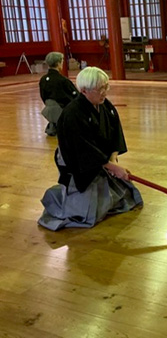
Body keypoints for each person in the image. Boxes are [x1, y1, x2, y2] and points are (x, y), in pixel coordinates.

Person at [38, 67, 143, 231]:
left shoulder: (105, 106)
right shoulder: (72, 113)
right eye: (100, 88)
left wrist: (113, 159)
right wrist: (111, 166)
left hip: (101, 159)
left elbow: (115, 133)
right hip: (77, 162)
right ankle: (60, 196)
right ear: (84, 90)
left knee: (128, 196)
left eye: (106, 87)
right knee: (88, 215)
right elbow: (82, 148)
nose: (104, 92)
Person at [39, 51, 78, 136]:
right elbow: (75, 96)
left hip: (48, 108)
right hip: (62, 110)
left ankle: (54, 124)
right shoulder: (63, 80)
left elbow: (43, 96)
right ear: (58, 63)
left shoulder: (43, 79)